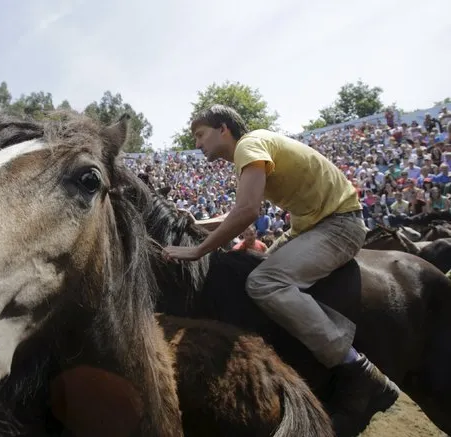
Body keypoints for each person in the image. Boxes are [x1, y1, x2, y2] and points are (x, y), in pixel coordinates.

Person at [161, 104, 399, 432]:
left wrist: (198, 250)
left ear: (223, 130)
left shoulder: (248, 146)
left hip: (338, 224)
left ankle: (358, 370)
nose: (198, 144)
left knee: (265, 283)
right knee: (253, 276)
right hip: (313, 226)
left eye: (201, 135)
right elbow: (240, 213)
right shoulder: (248, 153)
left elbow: (246, 212)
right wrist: (196, 222)